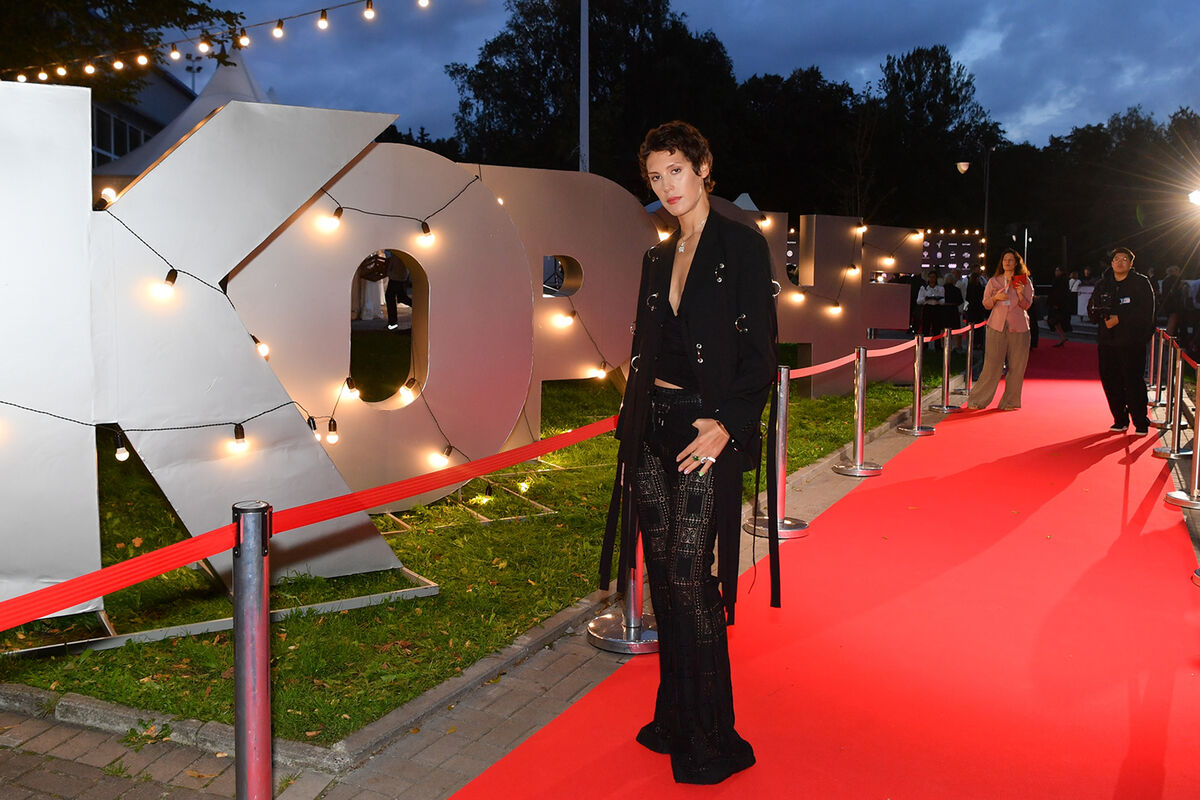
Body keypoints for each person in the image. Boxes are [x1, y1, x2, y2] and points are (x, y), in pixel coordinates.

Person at [600, 120, 777, 785]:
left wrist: (728, 425)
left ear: (703, 168)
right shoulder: (657, 257)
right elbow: (645, 349)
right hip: (651, 426)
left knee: (688, 575)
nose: (667, 185)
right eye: (655, 176)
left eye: (675, 170)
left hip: (704, 428)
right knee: (665, 580)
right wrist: (631, 420)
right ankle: (675, 718)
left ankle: (710, 737)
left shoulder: (741, 245)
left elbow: (760, 354)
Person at [1088, 247, 1155, 434]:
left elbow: (1146, 312)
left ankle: (1140, 421)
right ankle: (1120, 419)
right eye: (1116, 259)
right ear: (1111, 263)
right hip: (1107, 342)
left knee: (1133, 381)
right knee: (1110, 381)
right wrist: (1099, 315)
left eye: (1124, 259)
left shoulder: (1141, 283)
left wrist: (1120, 318)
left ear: (1131, 263)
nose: (1119, 262)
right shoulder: (1103, 284)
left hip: (1132, 342)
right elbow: (1092, 307)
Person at [968, 249, 1035, 410]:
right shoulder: (994, 281)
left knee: (1017, 366)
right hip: (996, 326)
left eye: (1011, 260)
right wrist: (995, 298)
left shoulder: (1025, 282)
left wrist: (1020, 293)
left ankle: (1010, 402)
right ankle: (978, 400)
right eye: (1005, 259)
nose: (1007, 262)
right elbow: (986, 304)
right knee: (992, 365)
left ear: (1016, 263)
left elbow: (1027, 305)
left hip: (1019, 327)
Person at [1047, 266, 1073, 346]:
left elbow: (1058, 293)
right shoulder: (1064, 280)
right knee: (1056, 321)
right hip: (1061, 303)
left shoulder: (1060, 280)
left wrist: (1055, 303)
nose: (1055, 272)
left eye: (1057, 270)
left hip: (1058, 304)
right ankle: (1062, 336)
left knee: (1055, 320)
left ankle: (1062, 336)